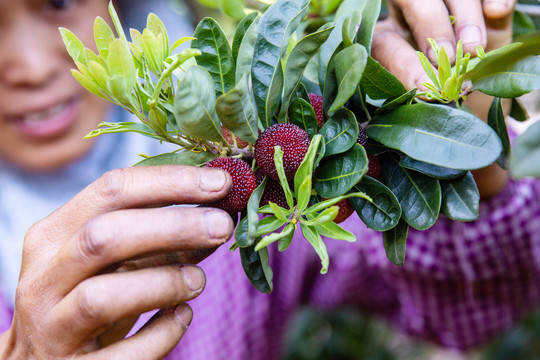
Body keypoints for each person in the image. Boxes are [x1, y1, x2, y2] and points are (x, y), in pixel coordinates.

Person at [0, 0, 537, 359]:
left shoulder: (259, 163)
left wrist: (455, 125)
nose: (27, 66)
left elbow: (469, 303)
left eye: (57, 0)